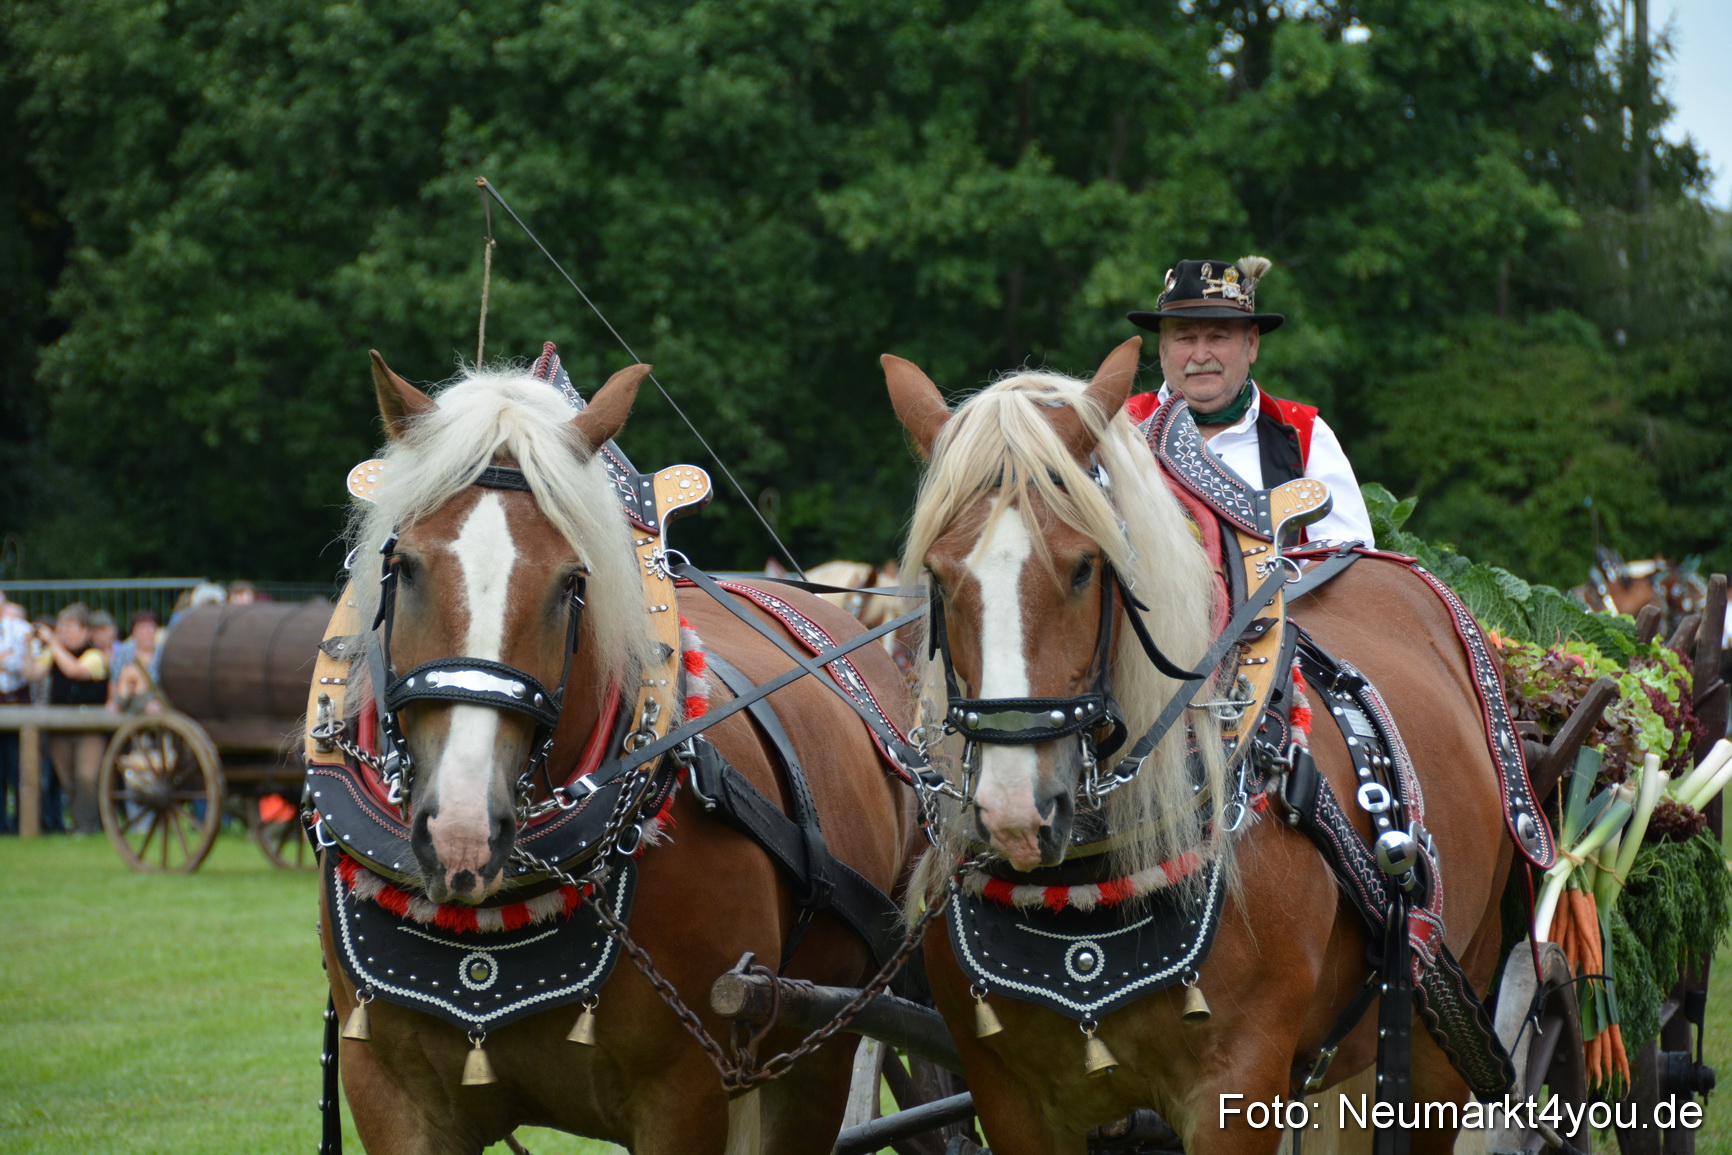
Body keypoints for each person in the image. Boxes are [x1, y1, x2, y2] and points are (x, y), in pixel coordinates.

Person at [1124, 256, 1375, 546]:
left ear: (1251, 344)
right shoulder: (1120, 427)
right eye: (1185, 338)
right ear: (1163, 348)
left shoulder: (1304, 433)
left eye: (1217, 337)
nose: (1201, 355)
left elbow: (1352, 561)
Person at [32, 603, 110, 833]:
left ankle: (87, 827)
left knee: (86, 776)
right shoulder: (53, 653)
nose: (64, 631)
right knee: (67, 780)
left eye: (70, 626)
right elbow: (31, 673)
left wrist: (52, 643)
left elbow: (75, 670)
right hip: (59, 728)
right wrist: (27, 646)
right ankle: (79, 825)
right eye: (62, 626)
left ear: (85, 631)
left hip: (90, 728)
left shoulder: (96, 655)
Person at [0, 595, 32, 834]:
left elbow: (25, 668)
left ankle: (23, 825)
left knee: (19, 770)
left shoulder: (21, 630)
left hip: (17, 705)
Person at [108, 610, 163, 714]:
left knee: (133, 672)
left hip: (155, 697)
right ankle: (121, 703)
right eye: (142, 628)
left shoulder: (162, 652)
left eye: (150, 628)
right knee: (130, 671)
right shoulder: (124, 652)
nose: (146, 633)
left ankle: (119, 703)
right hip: (129, 697)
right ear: (134, 632)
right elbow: (114, 681)